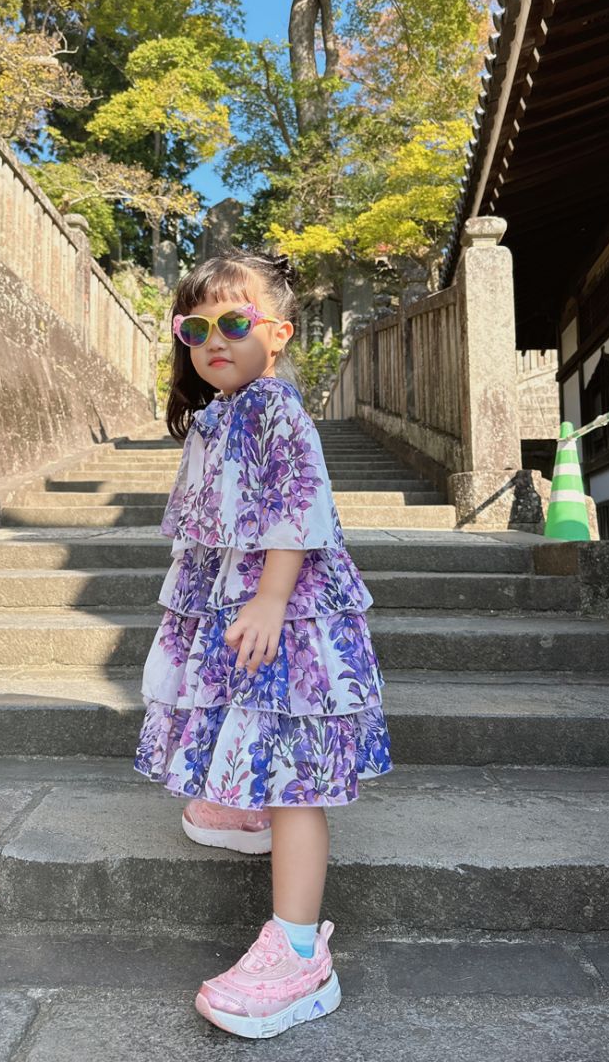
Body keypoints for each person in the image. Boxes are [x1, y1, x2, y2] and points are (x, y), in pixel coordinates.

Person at [133, 247, 392, 1039]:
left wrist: (273, 596)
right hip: (239, 602)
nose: (215, 339)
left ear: (275, 333)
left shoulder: (276, 408)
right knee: (261, 732)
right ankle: (243, 812)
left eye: (235, 322)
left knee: (296, 770)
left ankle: (299, 952)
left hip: (288, 607)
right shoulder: (220, 416)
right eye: (196, 327)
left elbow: (302, 502)